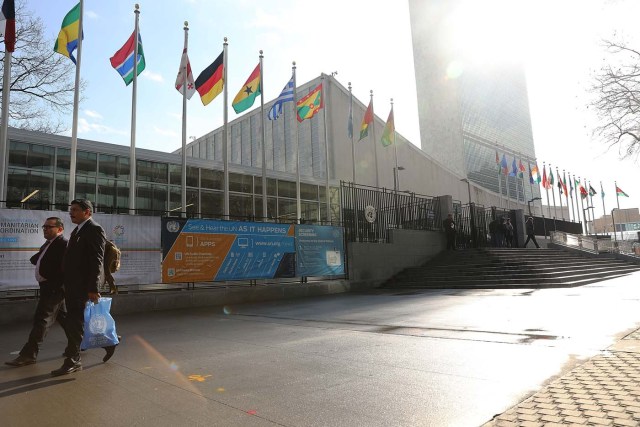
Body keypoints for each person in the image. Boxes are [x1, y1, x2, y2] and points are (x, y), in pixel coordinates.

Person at [51, 199, 116, 377]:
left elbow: (97, 261)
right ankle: (109, 343)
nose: (71, 213)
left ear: (87, 212)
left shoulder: (94, 229)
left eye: (75, 210)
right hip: (72, 285)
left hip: (82, 287)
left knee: (75, 323)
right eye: (70, 210)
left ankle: (73, 360)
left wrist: (94, 288)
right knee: (77, 322)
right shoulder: (78, 230)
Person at [5, 217, 70, 367]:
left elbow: (65, 269)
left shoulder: (63, 244)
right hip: (49, 287)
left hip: (54, 289)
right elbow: (42, 258)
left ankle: (29, 354)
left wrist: (55, 282)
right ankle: (80, 342)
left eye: (49, 227)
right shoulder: (49, 243)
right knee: (65, 319)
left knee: (42, 320)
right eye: (44, 227)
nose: (45, 229)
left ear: (60, 229)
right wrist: (38, 261)